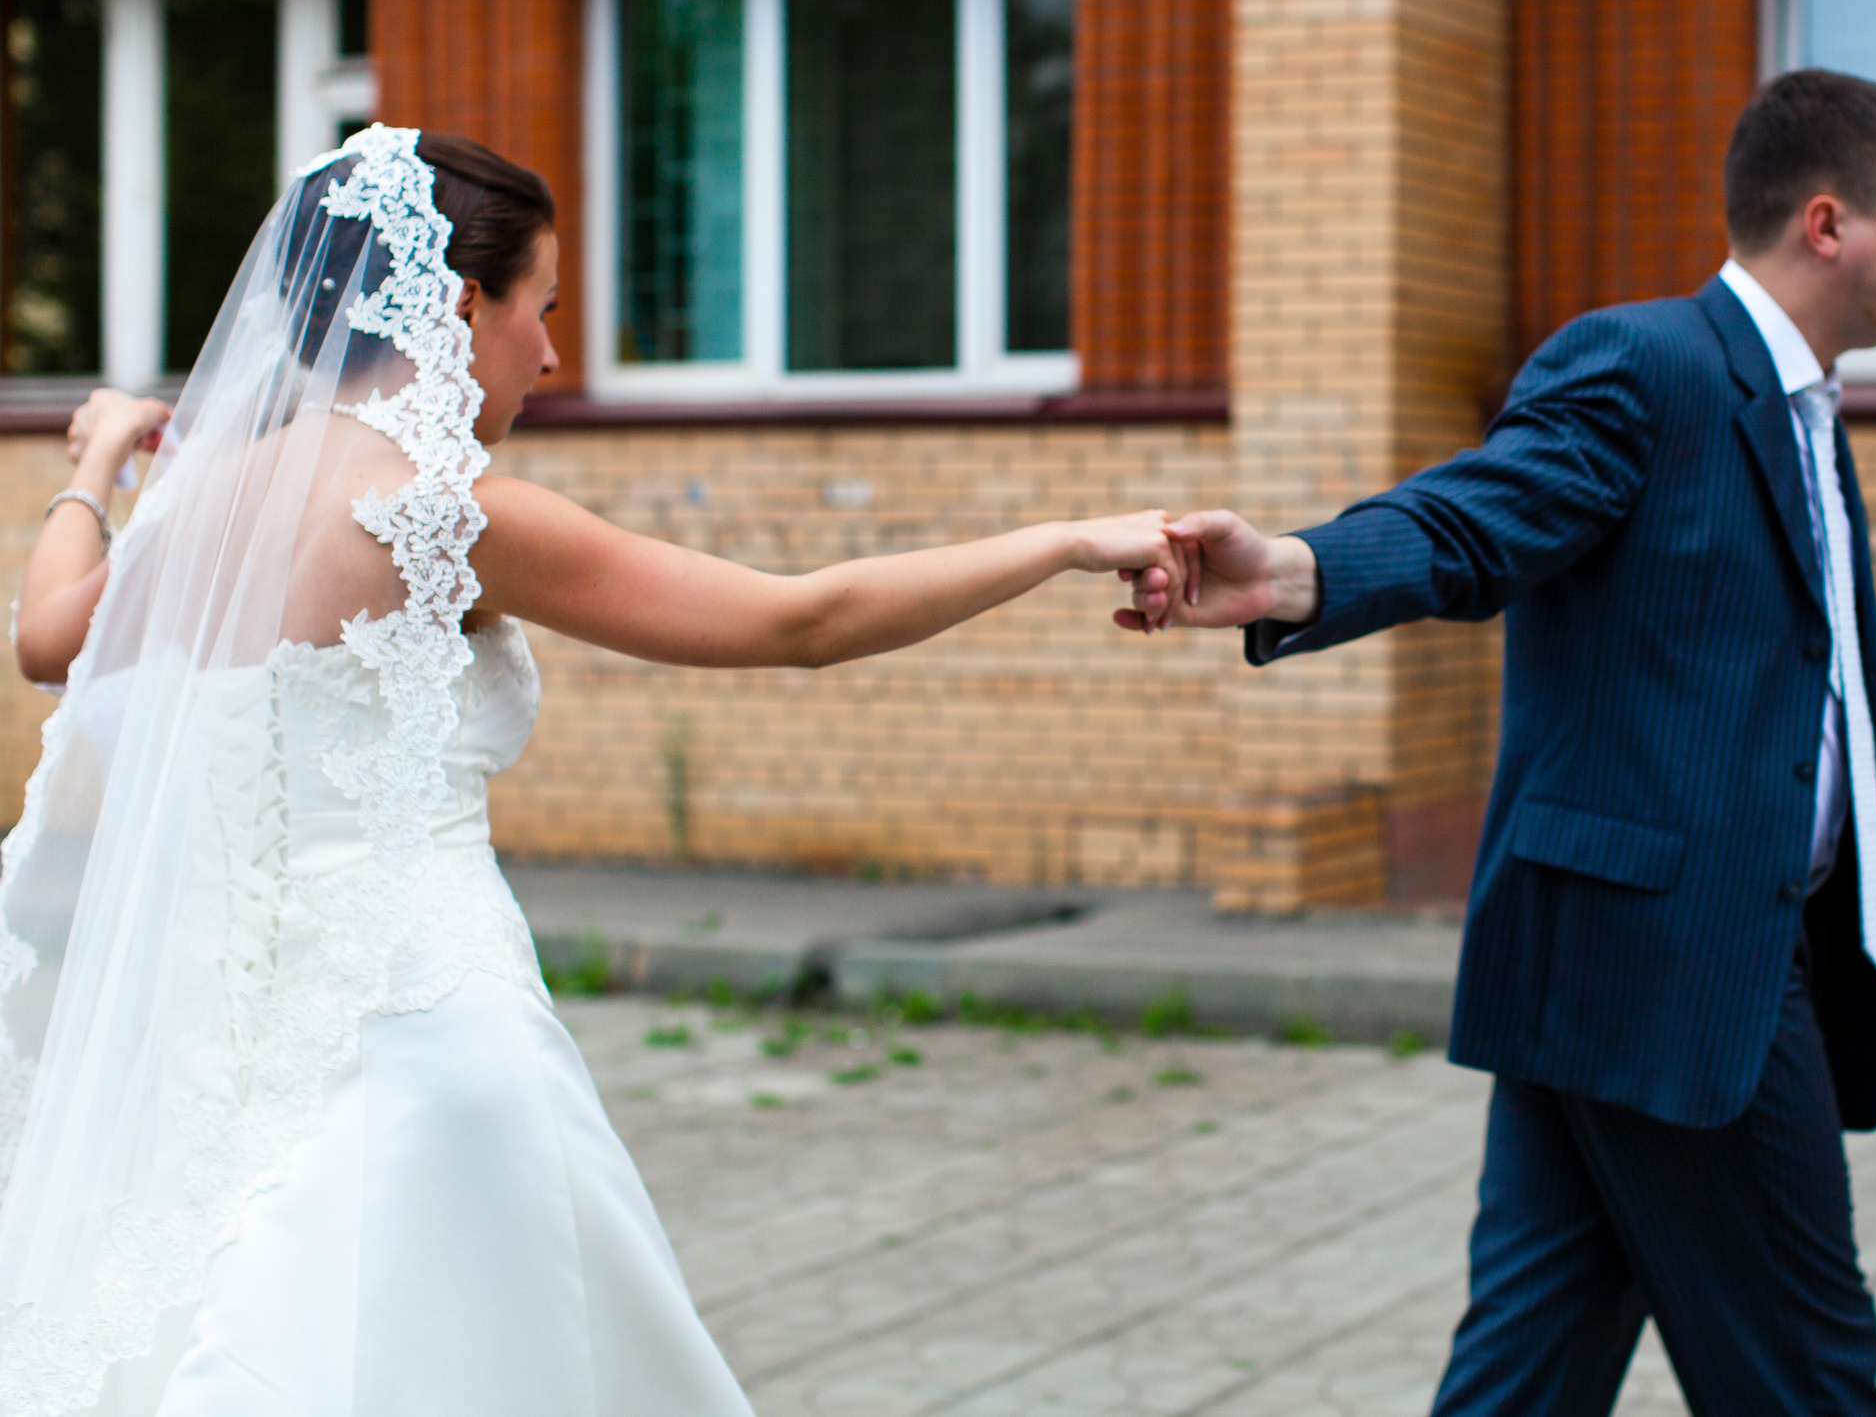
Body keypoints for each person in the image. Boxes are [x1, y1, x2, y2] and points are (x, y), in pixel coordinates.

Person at [0, 126, 1190, 1416]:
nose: (553, 353)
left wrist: (99, 464)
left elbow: (50, 639)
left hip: (226, 1052)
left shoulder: (218, 504)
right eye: (542, 309)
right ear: (461, 305)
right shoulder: (441, 507)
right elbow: (800, 622)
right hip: (424, 1034)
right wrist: (1068, 538)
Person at [1121, 69, 1876, 1414]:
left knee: (1525, 1377)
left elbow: (1775, 679)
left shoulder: (1810, 407)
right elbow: (1477, 520)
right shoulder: (1644, 364)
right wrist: (1291, 569)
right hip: (1678, 963)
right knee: (1814, 1375)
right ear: (1829, 223)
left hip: (1610, 965)